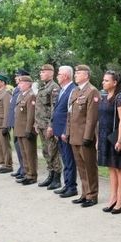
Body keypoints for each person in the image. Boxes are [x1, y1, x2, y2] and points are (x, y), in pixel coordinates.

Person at [65, 65, 100, 208]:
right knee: (81, 166)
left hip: (85, 137)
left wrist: (88, 137)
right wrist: (67, 132)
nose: (76, 75)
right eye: (76, 73)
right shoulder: (75, 91)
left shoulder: (92, 91)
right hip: (74, 135)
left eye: (79, 73)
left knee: (89, 166)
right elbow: (70, 114)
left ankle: (92, 195)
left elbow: (92, 117)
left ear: (86, 75)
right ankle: (85, 193)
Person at [98, 71, 121, 214]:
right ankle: (113, 197)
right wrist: (98, 139)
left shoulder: (120, 98)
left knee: (119, 168)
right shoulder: (104, 97)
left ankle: (120, 199)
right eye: (103, 80)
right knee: (111, 167)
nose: (103, 83)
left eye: (106, 80)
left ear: (115, 82)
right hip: (104, 136)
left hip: (115, 137)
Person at [48, 66, 78, 198]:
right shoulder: (62, 90)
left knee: (69, 160)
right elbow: (57, 111)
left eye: (59, 74)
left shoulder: (72, 90)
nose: (57, 76)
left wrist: (66, 131)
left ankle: (71, 187)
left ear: (65, 76)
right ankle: (67, 185)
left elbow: (70, 114)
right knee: (65, 159)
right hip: (59, 131)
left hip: (66, 132)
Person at [35, 64, 62, 190]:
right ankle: (50, 174)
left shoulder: (54, 88)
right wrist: (36, 123)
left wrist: (51, 125)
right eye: (41, 72)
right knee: (46, 152)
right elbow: (39, 108)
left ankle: (57, 178)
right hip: (41, 124)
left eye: (43, 71)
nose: (41, 73)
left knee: (53, 152)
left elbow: (54, 108)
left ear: (51, 73)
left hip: (48, 125)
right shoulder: (43, 87)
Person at [14, 75, 38, 185]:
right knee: (23, 153)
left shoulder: (31, 96)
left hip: (26, 130)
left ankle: (32, 175)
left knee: (29, 153)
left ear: (28, 84)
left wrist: (29, 129)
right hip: (19, 129)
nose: (19, 85)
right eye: (19, 83)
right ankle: (27, 173)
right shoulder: (21, 96)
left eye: (22, 83)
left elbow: (30, 115)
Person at [8, 68, 29, 180]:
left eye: (18, 76)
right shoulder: (16, 89)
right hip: (14, 121)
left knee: (22, 147)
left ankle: (25, 169)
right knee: (17, 146)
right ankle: (22, 167)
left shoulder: (23, 90)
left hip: (20, 123)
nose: (16, 78)